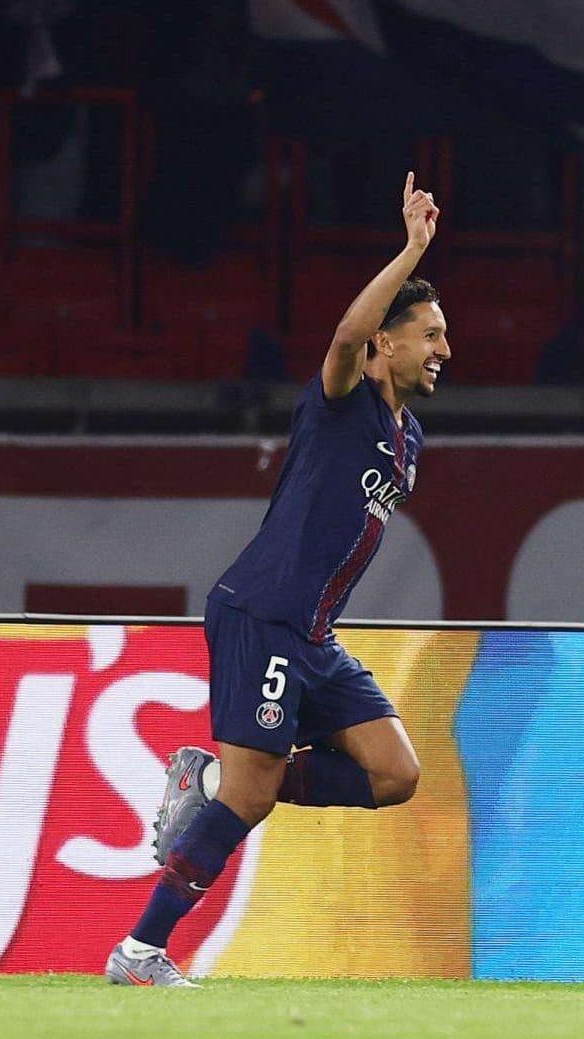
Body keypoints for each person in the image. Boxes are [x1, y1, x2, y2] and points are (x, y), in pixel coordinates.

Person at [106, 175, 444, 988]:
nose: (443, 350)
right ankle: (140, 951)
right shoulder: (341, 401)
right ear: (385, 345)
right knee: (251, 802)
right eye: (428, 334)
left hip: (313, 637)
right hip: (264, 612)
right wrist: (411, 250)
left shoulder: (409, 438)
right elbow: (340, 337)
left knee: (395, 773)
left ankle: (214, 776)